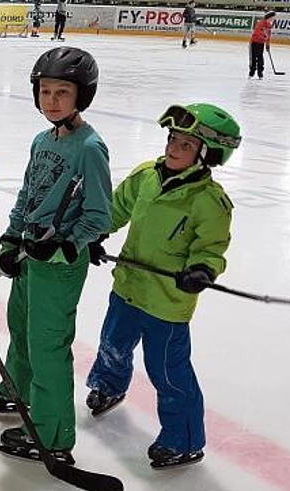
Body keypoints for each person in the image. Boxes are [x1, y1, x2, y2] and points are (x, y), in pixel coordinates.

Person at [84, 103, 242, 470]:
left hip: (167, 303)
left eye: (185, 145)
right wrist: (96, 234)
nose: (172, 149)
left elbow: (212, 247)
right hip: (127, 286)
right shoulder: (145, 176)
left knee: (168, 373)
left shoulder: (210, 203)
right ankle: (109, 384)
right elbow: (115, 208)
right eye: (172, 139)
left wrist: (202, 270)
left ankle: (183, 439)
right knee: (113, 344)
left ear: (207, 155)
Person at [0, 47, 111, 465]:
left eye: (62, 92)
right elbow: (28, 194)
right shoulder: (42, 140)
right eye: (46, 91)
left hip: (59, 266)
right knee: (20, 325)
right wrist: (11, 239)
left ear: (81, 97)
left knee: (48, 344)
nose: (52, 100)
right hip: (30, 254)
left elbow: (98, 214)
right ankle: (17, 388)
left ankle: (53, 433)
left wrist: (66, 245)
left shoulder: (90, 148)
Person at [249, 11, 275, 79]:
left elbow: (268, 35)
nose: (273, 19)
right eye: (272, 17)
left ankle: (260, 73)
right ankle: (251, 73)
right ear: (269, 17)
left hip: (261, 43)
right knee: (254, 58)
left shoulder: (269, 25)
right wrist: (263, 37)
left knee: (260, 57)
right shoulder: (260, 23)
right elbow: (256, 33)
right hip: (254, 42)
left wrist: (267, 44)